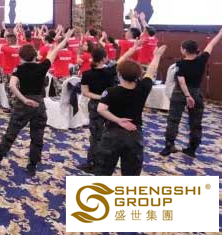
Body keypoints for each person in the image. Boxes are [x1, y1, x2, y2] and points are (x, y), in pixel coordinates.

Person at [0, 29, 74, 177]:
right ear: (35, 56)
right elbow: (55, 51)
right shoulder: (42, 66)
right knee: (37, 135)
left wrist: (24, 99)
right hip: (38, 104)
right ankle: (32, 165)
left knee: (11, 133)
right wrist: (65, 39)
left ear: (21, 57)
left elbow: (12, 86)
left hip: (23, 104)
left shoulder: (19, 69)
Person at [94, 44, 166, 176]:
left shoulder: (111, 91)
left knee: (103, 171)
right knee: (131, 173)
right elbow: (151, 71)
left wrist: (118, 120)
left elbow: (101, 109)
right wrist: (157, 56)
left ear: (119, 75)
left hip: (112, 133)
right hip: (134, 133)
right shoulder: (143, 88)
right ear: (138, 75)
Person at [160, 28, 222, 158]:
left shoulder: (180, 64)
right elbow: (211, 44)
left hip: (180, 93)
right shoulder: (202, 60)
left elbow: (182, 82)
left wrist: (187, 96)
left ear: (184, 50)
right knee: (195, 122)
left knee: (173, 120)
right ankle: (192, 149)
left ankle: (169, 145)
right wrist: (220, 33)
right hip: (196, 92)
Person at [78, 44, 137, 173]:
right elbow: (124, 57)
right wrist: (134, 47)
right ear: (104, 58)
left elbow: (85, 93)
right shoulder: (111, 71)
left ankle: (92, 163)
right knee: (109, 134)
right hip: (110, 105)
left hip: (95, 105)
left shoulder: (86, 74)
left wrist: (100, 97)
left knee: (95, 136)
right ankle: (104, 162)